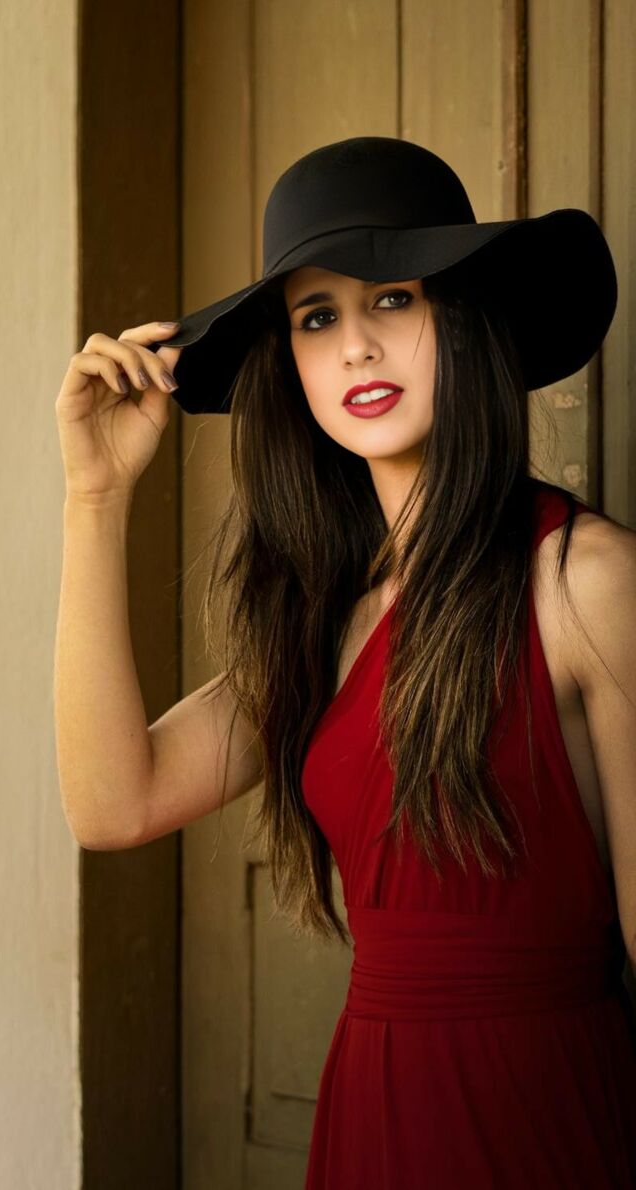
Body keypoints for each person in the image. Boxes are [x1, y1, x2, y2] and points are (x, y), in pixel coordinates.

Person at [54, 137, 636, 1187]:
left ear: (462, 317)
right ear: (291, 364)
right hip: (371, 1115)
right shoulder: (322, 620)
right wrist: (95, 499)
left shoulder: (583, 581)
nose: (357, 348)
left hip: (548, 1119)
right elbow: (112, 803)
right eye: (317, 318)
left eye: (394, 300)